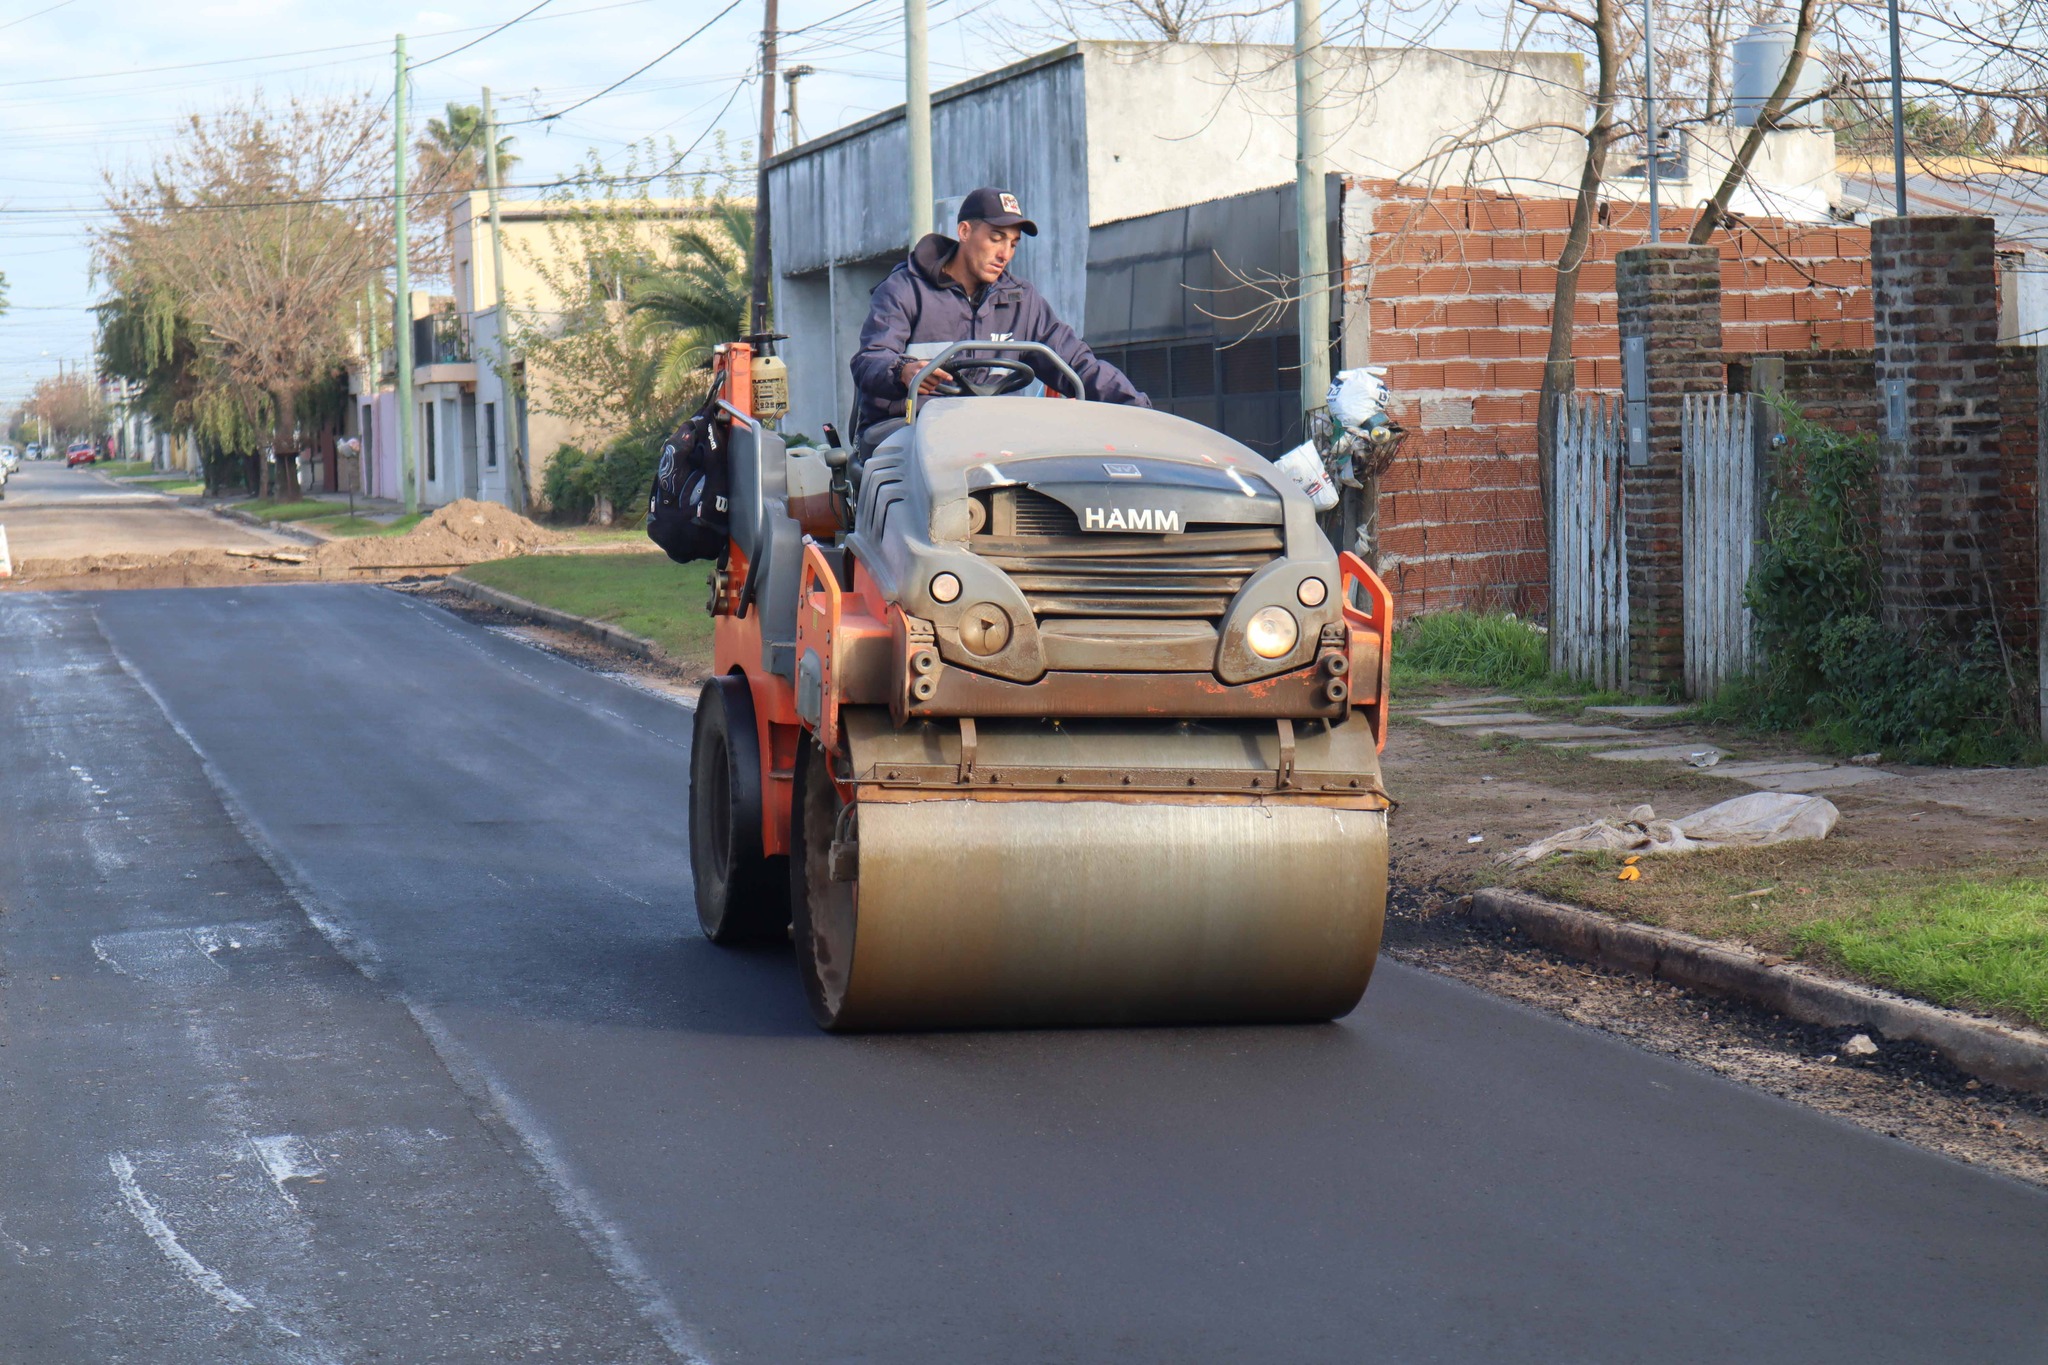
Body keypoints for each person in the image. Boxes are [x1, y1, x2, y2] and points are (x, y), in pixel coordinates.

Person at [849, 187, 1149, 444]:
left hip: (987, 436)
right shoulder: (905, 288)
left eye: (1013, 243)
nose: (1005, 254)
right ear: (964, 231)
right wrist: (903, 370)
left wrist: (1140, 411)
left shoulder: (1021, 301)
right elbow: (870, 360)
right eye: (996, 238)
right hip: (907, 433)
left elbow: (1079, 364)